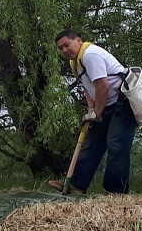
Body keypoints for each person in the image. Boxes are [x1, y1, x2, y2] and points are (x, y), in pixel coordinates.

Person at [50, 30, 136, 196]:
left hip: (123, 102)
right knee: (92, 142)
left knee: (117, 144)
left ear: (79, 40)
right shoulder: (75, 62)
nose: (64, 51)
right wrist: (91, 111)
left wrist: (97, 113)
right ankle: (76, 185)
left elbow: (103, 86)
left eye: (67, 45)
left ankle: (116, 192)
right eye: (61, 49)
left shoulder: (90, 55)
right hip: (106, 104)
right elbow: (88, 87)